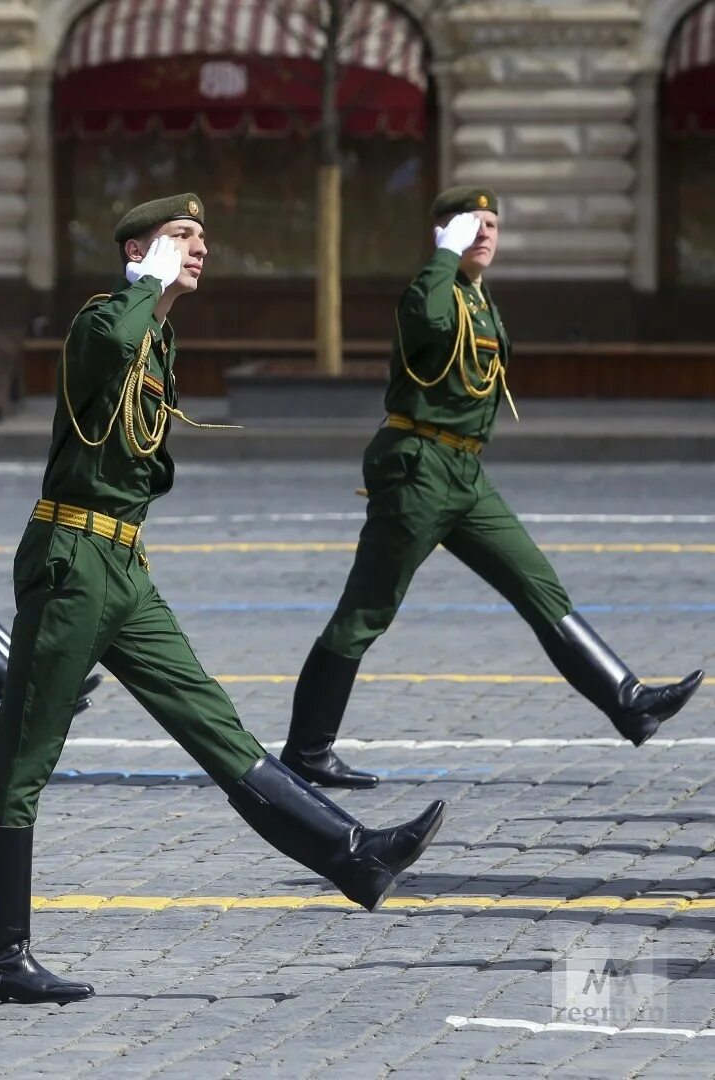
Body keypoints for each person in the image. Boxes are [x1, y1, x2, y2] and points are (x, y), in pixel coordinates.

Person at [0, 193, 445, 1006]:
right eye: (179, 237)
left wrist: (149, 294)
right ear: (135, 251)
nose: (198, 248)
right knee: (22, 763)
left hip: (121, 565)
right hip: (72, 558)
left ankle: (351, 852)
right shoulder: (104, 320)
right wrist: (141, 284)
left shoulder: (154, 329)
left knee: (213, 723)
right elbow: (108, 344)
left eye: (200, 237)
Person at [281, 187, 706, 789]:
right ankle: (307, 750)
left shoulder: (479, 301)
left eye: (490, 226)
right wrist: (443, 258)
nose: (483, 234)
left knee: (537, 584)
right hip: (419, 467)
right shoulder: (431, 291)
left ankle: (627, 698)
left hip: (465, 475)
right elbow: (426, 322)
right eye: (467, 225)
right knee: (365, 613)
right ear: (441, 234)